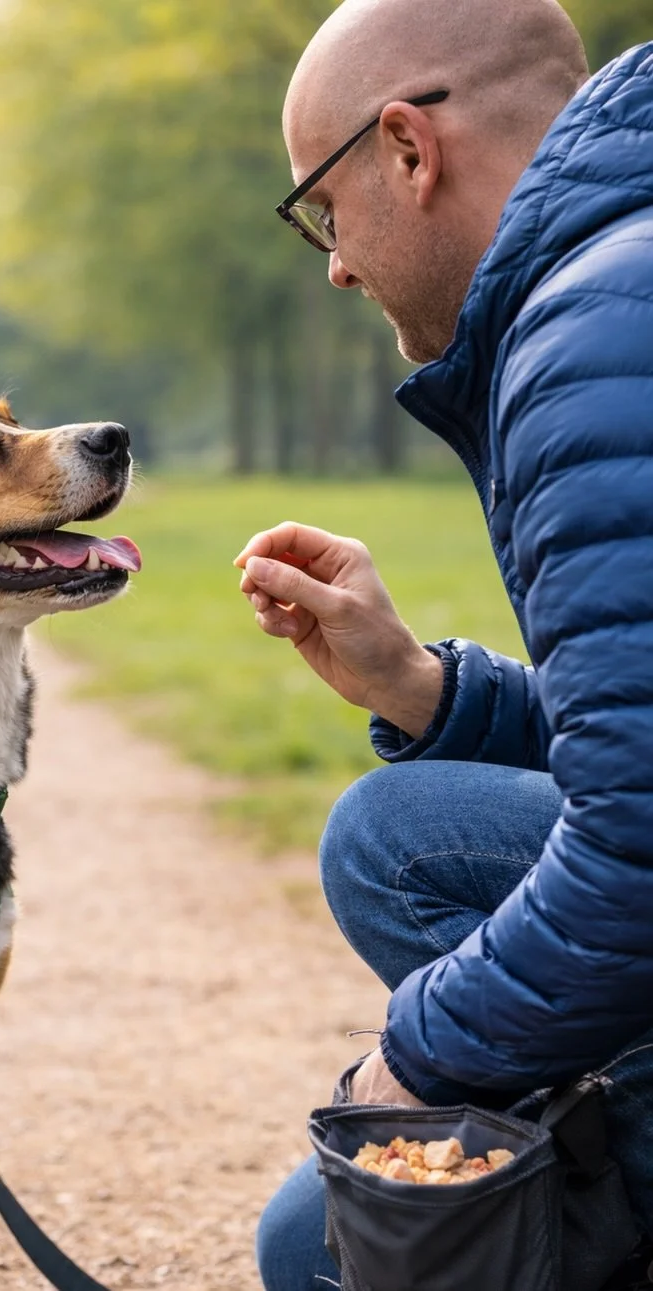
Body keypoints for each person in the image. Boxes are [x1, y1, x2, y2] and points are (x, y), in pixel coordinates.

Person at [236, 0, 653, 1285]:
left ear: (409, 150)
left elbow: (641, 846)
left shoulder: (589, 338)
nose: (336, 267)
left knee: (320, 1246)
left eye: (323, 208)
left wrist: (409, 1064)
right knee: (394, 832)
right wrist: (422, 688)